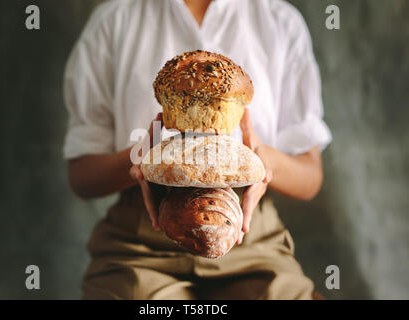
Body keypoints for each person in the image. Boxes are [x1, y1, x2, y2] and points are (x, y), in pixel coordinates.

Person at [63, 0, 332, 300]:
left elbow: (311, 176)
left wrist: (261, 160)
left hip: (251, 237)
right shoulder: (114, 19)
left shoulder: (280, 21)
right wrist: (142, 156)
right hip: (141, 244)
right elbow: (82, 175)